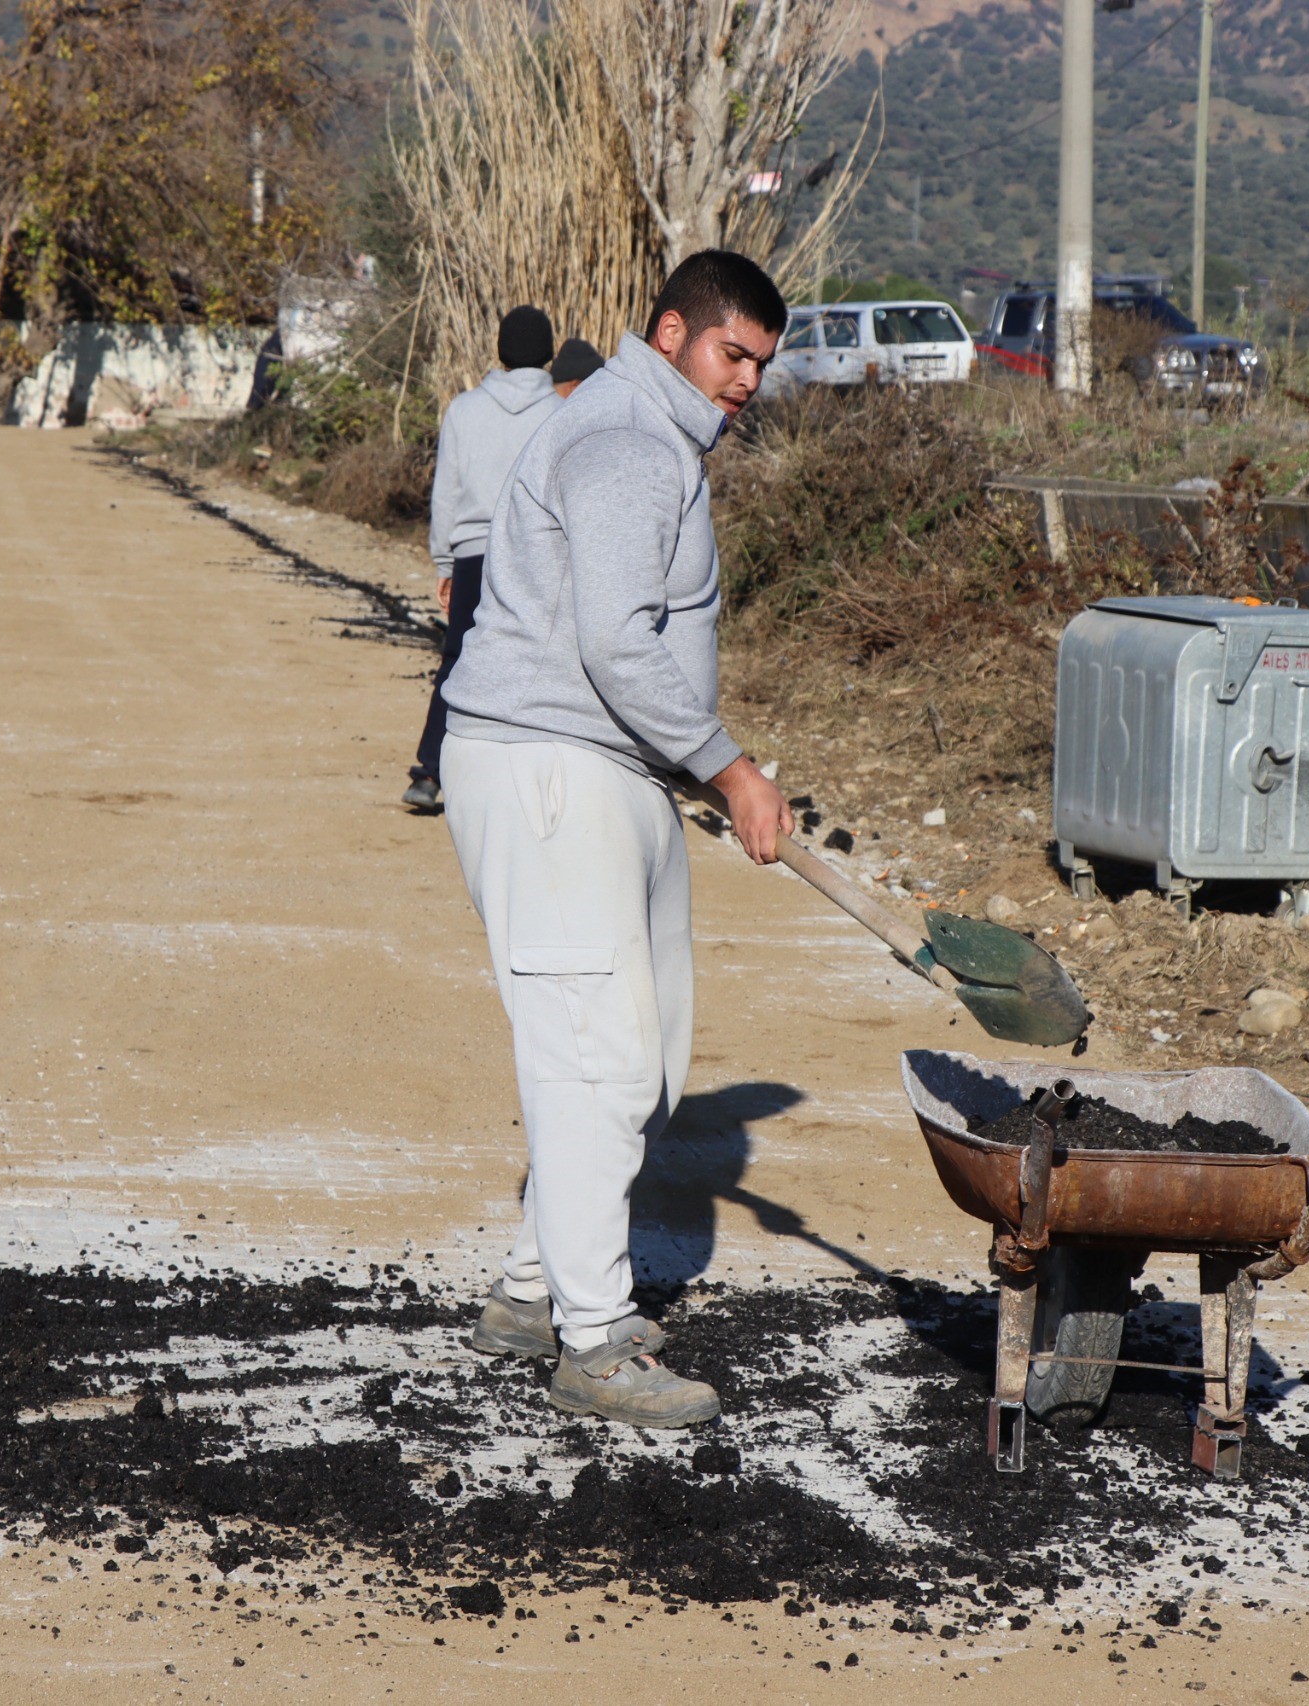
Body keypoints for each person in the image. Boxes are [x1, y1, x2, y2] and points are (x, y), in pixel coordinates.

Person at [437, 251, 791, 1428]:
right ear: (672, 329)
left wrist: (689, 763)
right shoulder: (632, 444)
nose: (744, 381)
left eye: (761, 365)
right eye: (730, 353)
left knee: (638, 1059)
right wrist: (730, 766)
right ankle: (590, 1341)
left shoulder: (652, 435)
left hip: (607, 767)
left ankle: (536, 1292)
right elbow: (615, 644)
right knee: (592, 1055)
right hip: (551, 768)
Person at [400, 305, 562, 812]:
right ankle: (519, 784)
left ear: (500, 352)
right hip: (533, 554)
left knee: (457, 661)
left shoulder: (465, 410)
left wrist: (444, 562)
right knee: (536, 663)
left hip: (472, 553)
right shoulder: (561, 414)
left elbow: (444, 493)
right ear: (550, 353)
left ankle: (429, 774)